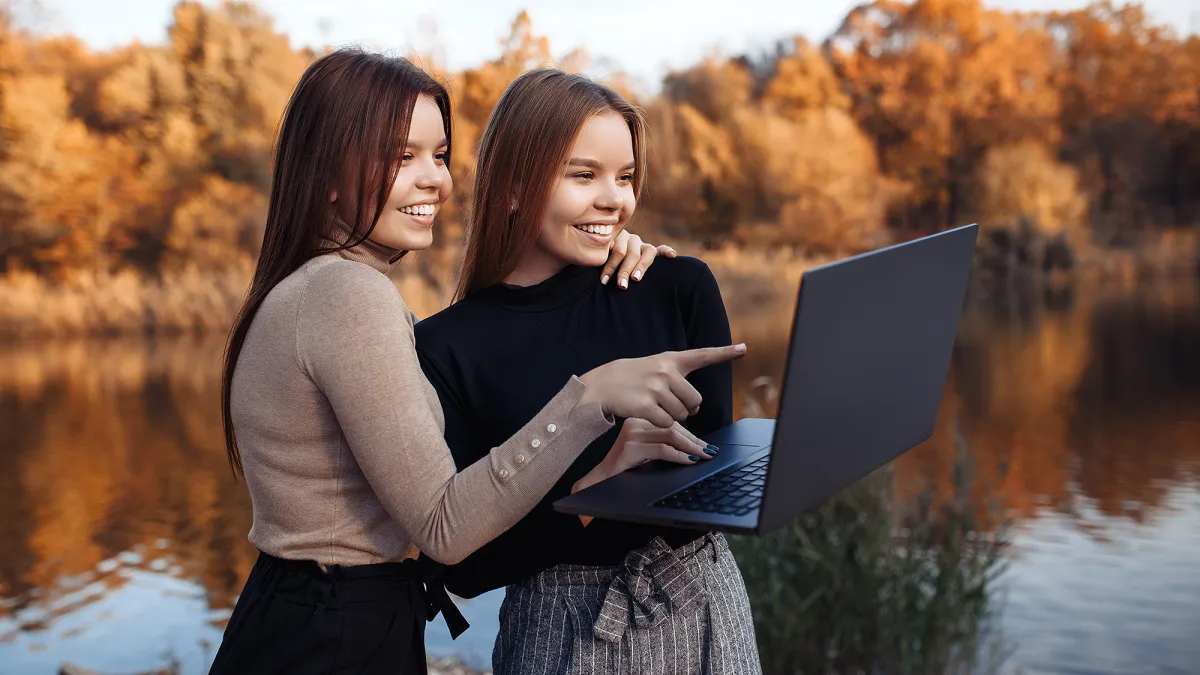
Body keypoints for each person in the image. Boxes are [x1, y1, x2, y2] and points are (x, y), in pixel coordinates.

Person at [208, 50, 745, 675]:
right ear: (329, 170)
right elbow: (443, 527)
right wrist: (588, 399)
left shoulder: (326, 291)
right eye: (401, 157)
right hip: (333, 630)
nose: (436, 179)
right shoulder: (344, 294)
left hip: (326, 615)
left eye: (438, 156)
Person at [416, 69, 762, 674]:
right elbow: (464, 569)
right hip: (559, 632)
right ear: (516, 186)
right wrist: (595, 488)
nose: (615, 199)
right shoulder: (446, 346)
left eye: (625, 177)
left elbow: (712, 489)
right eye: (584, 175)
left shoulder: (675, 287)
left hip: (703, 606)